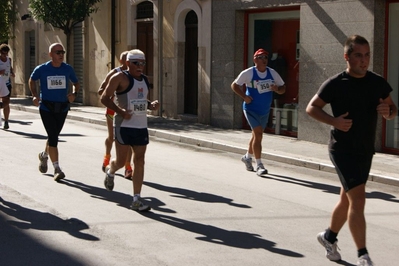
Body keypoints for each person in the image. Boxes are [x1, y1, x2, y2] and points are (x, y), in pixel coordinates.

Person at [306, 35, 397, 266]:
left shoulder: (377, 82)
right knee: (358, 200)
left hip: (365, 149)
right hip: (342, 149)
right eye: (358, 55)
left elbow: (393, 109)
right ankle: (363, 255)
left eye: (367, 55)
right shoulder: (335, 83)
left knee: (347, 200)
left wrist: (388, 111)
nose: (364, 61)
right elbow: (311, 108)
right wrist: (334, 121)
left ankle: (328, 237)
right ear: (347, 57)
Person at [100, 49, 159, 212]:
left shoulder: (145, 80)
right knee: (120, 161)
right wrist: (120, 112)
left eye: (143, 63)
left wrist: (150, 105)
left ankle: (136, 200)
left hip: (140, 126)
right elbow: (103, 97)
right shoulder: (119, 77)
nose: (140, 66)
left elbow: (140, 99)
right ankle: (111, 171)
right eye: (136, 63)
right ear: (128, 63)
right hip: (123, 126)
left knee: (139, 161)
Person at [29, 43, 80, 182]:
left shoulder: (67, 69)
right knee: (53, 137)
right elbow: (32, 80)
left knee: (54, 135)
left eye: (62, 52)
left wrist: (74, 94)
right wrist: (34, 95)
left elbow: (76, 83)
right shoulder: (42, 69)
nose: (61, 54)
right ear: (51, 54)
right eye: (58, 52)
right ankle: (57, 169)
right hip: (46, 107)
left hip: (62, 107)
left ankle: (44, 155)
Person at [231, 48, 286, 176]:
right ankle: (259, 165)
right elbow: (234, 85)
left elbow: (283, 88)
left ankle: (247, 157)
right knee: (258, 134)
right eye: (261, 57)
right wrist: (244, 97)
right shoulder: (249, 73)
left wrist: (277, 89)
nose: (264, 59)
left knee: (256, 135)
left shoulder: (272, 73)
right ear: (255, 59)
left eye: (266, 57)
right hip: (251, 109)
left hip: (265, 110)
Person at [98, 51, 133, 180]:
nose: (127, 63)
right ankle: (107, 157)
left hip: (127, 111)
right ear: (121, 61)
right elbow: (100, 91)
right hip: (112, 110)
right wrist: (113, 94)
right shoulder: (114, 73)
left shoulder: (133, 75)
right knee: (112, 137)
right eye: (125, 60)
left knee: (127, 140)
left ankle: (128, 167)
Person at [0, 44, 15, 130]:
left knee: (6, 102)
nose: (4, 55)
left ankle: (6, 121)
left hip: (7, 83)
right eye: (3, 53)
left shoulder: (9, 59)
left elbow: (10, 68)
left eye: (6, 53)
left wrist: (12, 72)